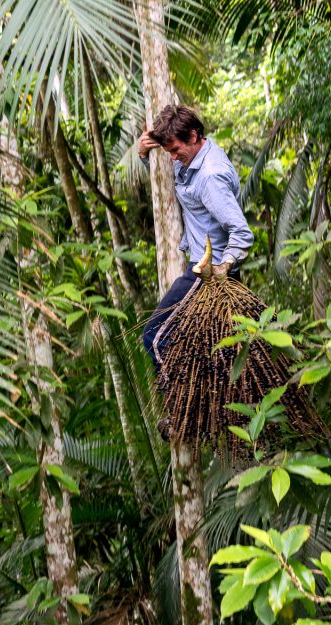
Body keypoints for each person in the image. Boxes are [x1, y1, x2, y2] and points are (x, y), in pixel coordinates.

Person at [139, 105, 254, 438]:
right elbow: (172, 179)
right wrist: (146, 154)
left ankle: (184, 415)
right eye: (168, 151)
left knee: (155, 337)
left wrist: (222, 269)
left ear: (193, 136)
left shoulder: (210, 177)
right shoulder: (192, 157)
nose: (173, 157)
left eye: (175, 150)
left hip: (207, 271)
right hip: (198, 260)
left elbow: (242, 232)